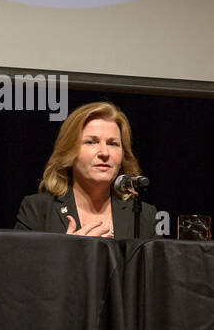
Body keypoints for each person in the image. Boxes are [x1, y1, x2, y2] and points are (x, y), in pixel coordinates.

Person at [14, 101, 158, 238]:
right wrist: (66, 251)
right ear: (69, 151)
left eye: (113, 143)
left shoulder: (143, 215)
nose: (104, 153)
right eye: (91, 142)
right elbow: (20, 263)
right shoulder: (38, 209)